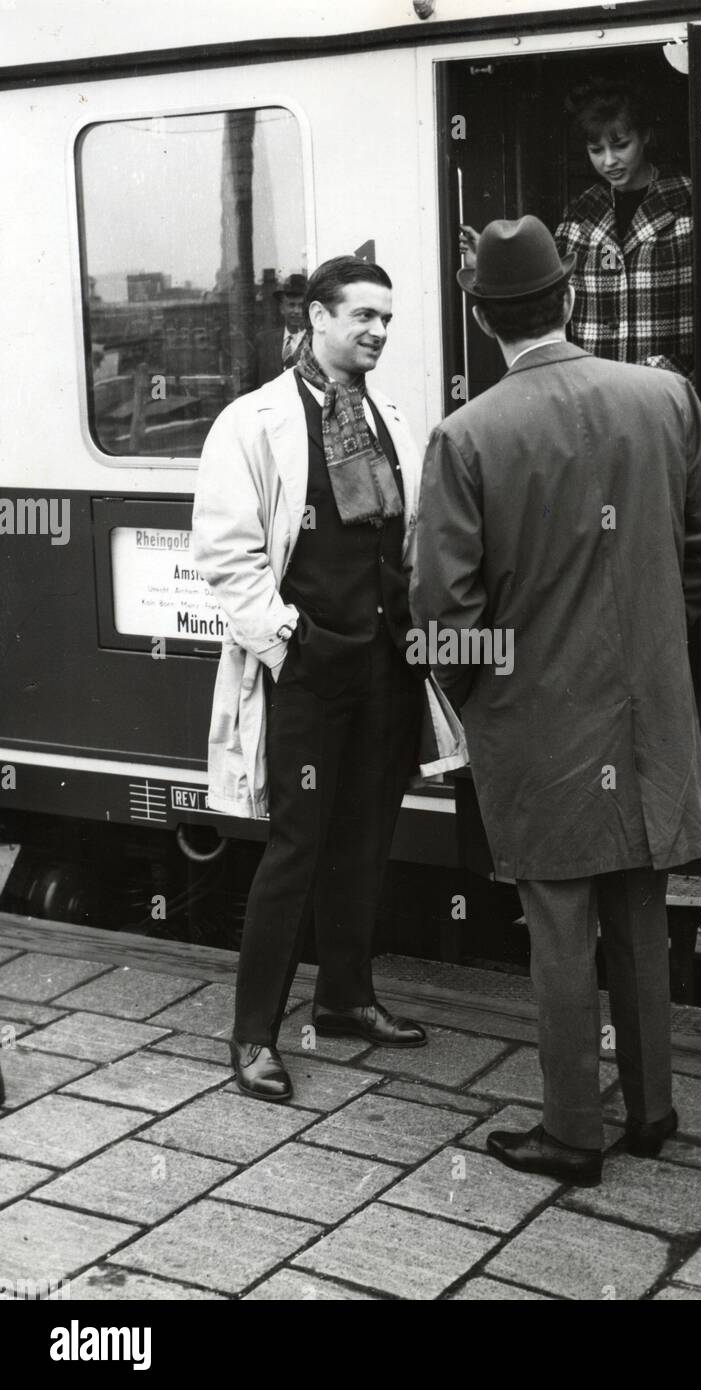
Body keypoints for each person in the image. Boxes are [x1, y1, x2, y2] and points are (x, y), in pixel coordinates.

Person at [411, 216, 701, 1184]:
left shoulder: (465, 435)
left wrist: (489, 693)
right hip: (645, 717)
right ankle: (651, 1110)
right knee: (641, 909)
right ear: (572, 299)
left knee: (559, 929)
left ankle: (568, 1134)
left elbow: (441, 614)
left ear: (481, 318)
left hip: (539, 725)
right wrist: (642, 638)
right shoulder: (666, 397)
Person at [193, 255, 433, 1105]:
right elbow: (225, 554)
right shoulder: (253, 422)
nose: (378, 332)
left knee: (368, 838)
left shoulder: (390, 420)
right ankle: (253, 1034)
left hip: (383, 667)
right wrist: (288, 645)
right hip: (307, 670)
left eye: (387, 319)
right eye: (363, 316)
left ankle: (344, 998)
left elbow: (407, 538)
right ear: (317, 318)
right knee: (296, 849)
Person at [461, 79, 693, 375]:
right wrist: (487, 265)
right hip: (593, 389)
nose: (609, 161)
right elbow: (543, 300)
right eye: (596, 149)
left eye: (621, 145)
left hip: (667, 385)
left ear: (645, 135)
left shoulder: (688, 202)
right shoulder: (580, 213)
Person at [255, 272, 308, 385]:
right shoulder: (264, 341)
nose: (297, 311)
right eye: (291, 305)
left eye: (301, 306)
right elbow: (252, 384)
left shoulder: (317, 341)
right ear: (282, 308)